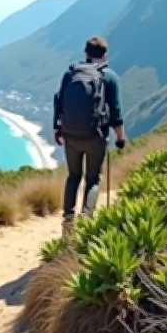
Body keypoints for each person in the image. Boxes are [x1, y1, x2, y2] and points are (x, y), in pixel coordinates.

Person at [52, 36, 126, 231]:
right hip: (95, 136)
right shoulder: (109, 77)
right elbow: (116, 113)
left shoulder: (70, 73)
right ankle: (86, 220)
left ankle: (68, 220)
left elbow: (59, 100)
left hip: (70, 134)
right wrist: (120, 138)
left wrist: (57, 128)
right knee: (93, 179)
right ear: (105, 56)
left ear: (85, 53)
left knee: (73, 176)